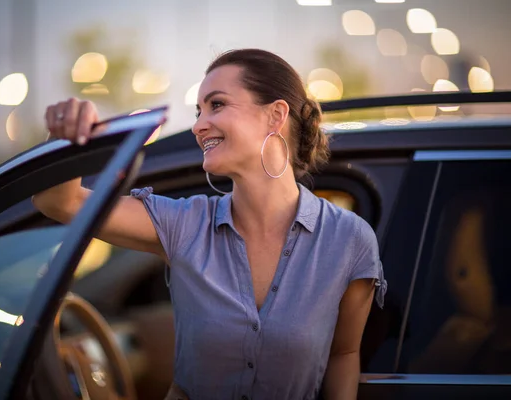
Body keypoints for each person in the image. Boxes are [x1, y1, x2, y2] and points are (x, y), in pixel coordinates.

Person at [33, 48, 386, 400]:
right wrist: (68, 140)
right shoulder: (183, 224)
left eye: (216, 105)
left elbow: (344, 355)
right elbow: (60, 202)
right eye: (198, 111)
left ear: (275, 115)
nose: (199, 125)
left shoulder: (349, 239)